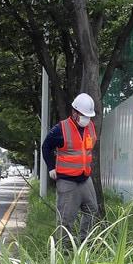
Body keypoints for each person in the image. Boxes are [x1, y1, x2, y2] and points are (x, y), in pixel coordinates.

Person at [41, 93, 99, 244]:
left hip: (85, 179)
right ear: (74, 112)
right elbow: (46, 146)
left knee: (92, 211)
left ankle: (85, 243)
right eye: (84, 115)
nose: (87, 119)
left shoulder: (91, 127)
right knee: (66, 220)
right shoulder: (61, 129)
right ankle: (64, 252)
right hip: (67, 181)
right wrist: (51, 167)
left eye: (89, 116)